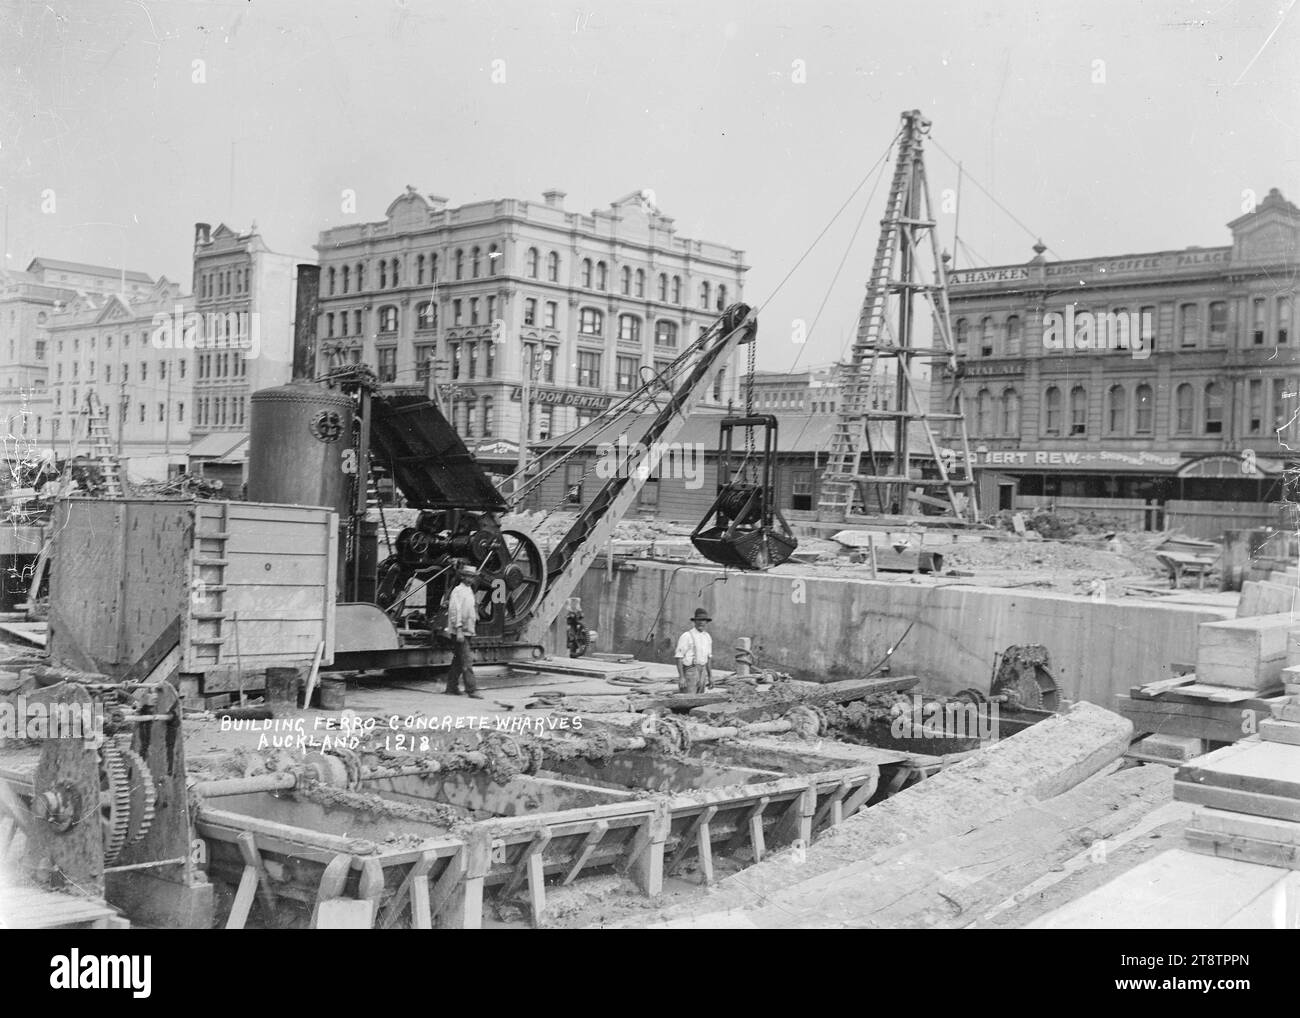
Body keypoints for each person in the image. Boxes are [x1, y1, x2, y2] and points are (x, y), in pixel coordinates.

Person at [445, 566, 483, 698]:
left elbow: (470, 607)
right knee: (467, 660)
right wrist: (459, 629)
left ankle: (451, 687)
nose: (471, 579)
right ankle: (472, 690)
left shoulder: (468, 590)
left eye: (473, 577)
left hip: (468, 631)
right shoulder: (458, 591)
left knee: (458, 661)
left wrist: (475, 614)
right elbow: (455, 611)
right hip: (460, 632)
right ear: (462, 577)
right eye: (469, 576)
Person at [674, 607, 713, 694]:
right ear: (695, 621)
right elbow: (679, 657)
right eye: (699, 620)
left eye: (703, 620)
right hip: (690, 672)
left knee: (699, 698)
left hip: (702, 672)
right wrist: (681, 677)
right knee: (687, 698)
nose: (701, 622)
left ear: (706, 622)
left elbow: (709, 658)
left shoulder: (707, 637)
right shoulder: (687, 636)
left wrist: (710, 677)